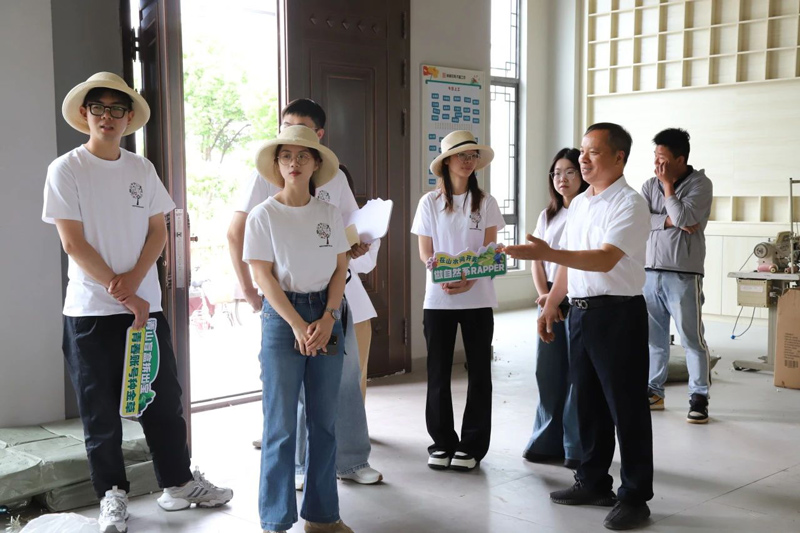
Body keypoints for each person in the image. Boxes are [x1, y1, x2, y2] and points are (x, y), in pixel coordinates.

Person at [42, 72, 232, 533]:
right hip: (90, 312)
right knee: (100, 411)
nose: (107, 117)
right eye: (99, 108)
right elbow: (72, 241)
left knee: (163, 399)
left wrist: (135, 285)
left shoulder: (141, 169)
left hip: (146, 309)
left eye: (117, 109)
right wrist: (118, 286)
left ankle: (179, 483)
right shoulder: (66, 169)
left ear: (129, 119)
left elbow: (158, 231)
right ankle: (112, 495)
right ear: (86, 114)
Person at [227, 99, 382, 489]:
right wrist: (249, 289)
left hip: (335, 292)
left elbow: (351, 231)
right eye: (286, 129)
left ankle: (350, 460)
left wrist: (355, 250)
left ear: (319, 143)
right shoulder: (265, 178)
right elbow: (240, 235)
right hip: (284, 298)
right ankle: (297, 466)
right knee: (289, 390)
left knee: (344, 380)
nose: (293, 156)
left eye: (303, 135)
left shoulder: (334, 181)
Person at [507, 123, 654, 530]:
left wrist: (547, 250)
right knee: (586, 402)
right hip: (581, 312)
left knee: (626, 408)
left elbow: (604, 259)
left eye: (592, 153)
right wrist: (550, 307)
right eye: (582, 153)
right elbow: (569, 269)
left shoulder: (630, 204)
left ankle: (636, 496)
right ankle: (591, 481)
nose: (583, 160)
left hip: (618, 313)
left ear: (619, 157)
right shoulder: (580, 205)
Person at [244, 125, 353, 533]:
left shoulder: (328, 212)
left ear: (316, 164)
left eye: (302, 156)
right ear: (277, 164)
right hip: (281, 319)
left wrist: (328, 316)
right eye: (286, 155)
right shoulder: (263, 215)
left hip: (325, 313)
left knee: (324, 421)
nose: (294, 162)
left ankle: (323, 517)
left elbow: (341, 267)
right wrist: (297, 323)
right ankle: (275, 520)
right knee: (281, 425)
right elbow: (263, 276)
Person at [410, 130, 504, 472]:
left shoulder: (487, 202)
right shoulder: (429, 203)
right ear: (446, 161)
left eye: (473, 155)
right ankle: (442, 442)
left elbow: (491, 251)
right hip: (439, 300)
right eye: (462, 155)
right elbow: (426, 252)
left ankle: (473, 445)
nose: (469, 160)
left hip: (479, 299)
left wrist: (471, 278)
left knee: (479, 372)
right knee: (437, 373)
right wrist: (447, 275)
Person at [641, 128, 713, 423]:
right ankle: (654, 391)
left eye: (662, 158)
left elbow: (686, 218)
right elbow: (640, 221)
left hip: (683, 275)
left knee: (691, 339)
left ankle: (699, 397)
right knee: (654, 340)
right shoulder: (648, 185)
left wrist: (669, 188)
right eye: (655, 156)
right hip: (649, 273)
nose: (657, 164)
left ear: (680, 159)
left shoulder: (701, 184)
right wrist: (670, 220)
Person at [522, 148, 588, 470]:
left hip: (575, 302)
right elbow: (538, 259)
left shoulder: (586, 211)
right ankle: (546, 440)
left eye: (570, 172)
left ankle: (574, 446)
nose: (562, 179)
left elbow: (575, 263)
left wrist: (556, 299)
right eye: (557, 173)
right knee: (547, 373)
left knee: (576, 376)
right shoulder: (547, 214)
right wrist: (545, 296)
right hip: (548, 300)